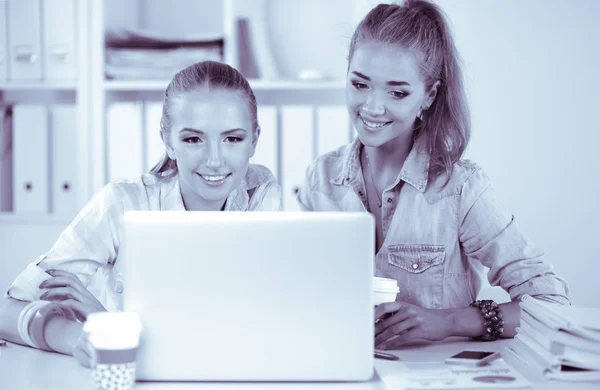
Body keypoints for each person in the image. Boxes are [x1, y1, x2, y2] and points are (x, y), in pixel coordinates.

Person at [297, 0, 569, 350]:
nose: (372, 108)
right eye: (360, 84)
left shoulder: (460, 190)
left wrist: (449, 321)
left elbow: (551, 302)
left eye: (397, 92)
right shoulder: (320, 180)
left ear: (429, 96)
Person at [0, 60, 282, 365]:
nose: (215, 160)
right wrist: (79, 337)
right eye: (193, 139)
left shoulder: (260, 193)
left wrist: (108, 321)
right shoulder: (122, 203)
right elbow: (7, 311)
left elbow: (249, 328)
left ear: (254, 140)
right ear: (168, 141)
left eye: (232, 139)